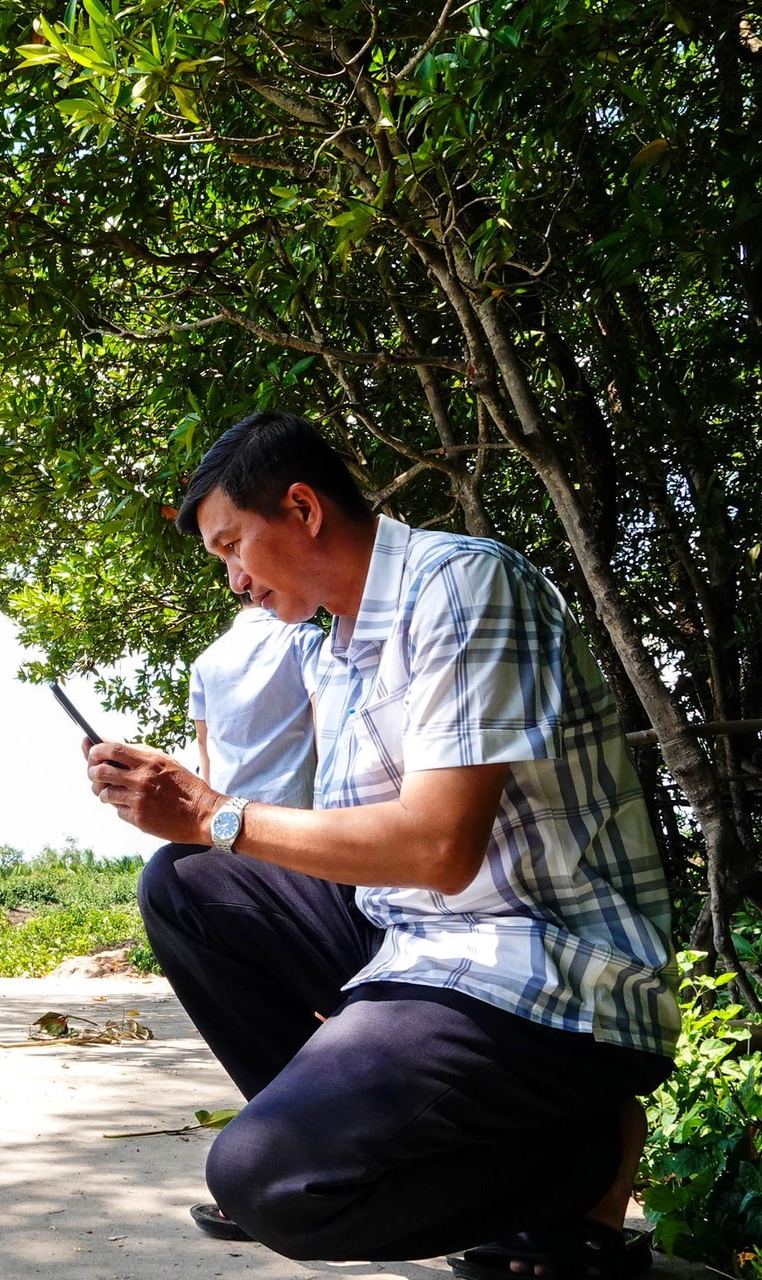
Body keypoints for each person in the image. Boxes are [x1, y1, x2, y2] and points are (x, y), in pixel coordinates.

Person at [85, 412, 680, 1280]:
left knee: (268, 1184)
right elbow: (359, 853)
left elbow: (440, 845)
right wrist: (202, 827)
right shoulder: (331, 652)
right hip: (417, 945)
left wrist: (218, 810)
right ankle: (375, 1140)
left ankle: (581, 1154)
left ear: (301, 507)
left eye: (233, 547)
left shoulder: (464, 584)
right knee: (188, 882)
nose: (234, 581)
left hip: (544, 976)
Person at [189, 597, 317, 806]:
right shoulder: (304, 638)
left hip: (228, 820)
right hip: (298, 816)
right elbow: (325, 725)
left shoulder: (204, 662)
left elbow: (203, 746)